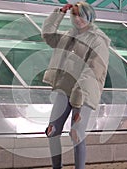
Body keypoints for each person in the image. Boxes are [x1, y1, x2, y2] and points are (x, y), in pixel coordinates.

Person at [41, 1, 111, 169]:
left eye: (81, 15)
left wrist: (79, 90)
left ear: (90, 16)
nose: (77, 19)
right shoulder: (68, 35)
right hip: (64, 88)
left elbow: (94, 70)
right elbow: (48, 35)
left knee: (76, 134)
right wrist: (59, 13)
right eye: (74, 15)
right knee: (52, 131)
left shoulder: (98, 40)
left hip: (83, 92)